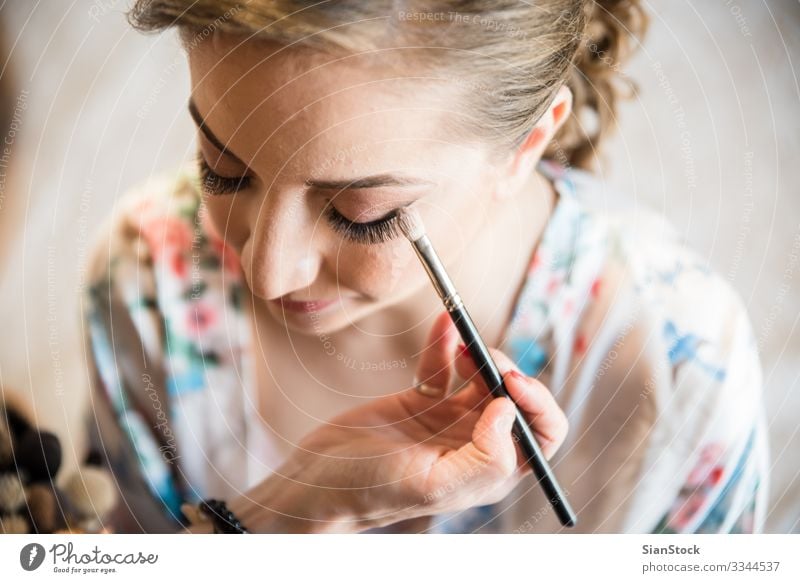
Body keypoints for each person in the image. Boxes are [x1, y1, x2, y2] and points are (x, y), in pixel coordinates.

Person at [82, 0, 769, 533]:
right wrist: (291, 513)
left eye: (362, 212)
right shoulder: (149, 278)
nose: (267, 272)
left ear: (526, 146)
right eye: (223, 169)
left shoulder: (681, 368)